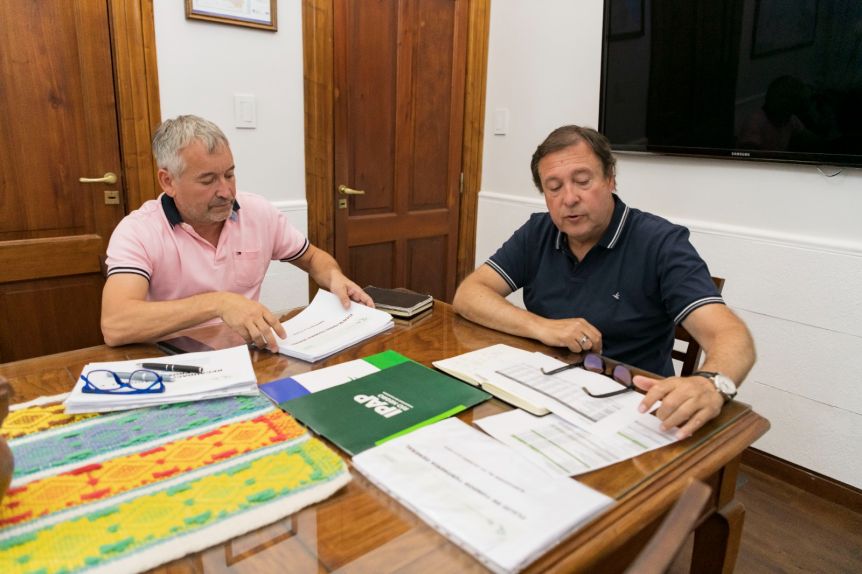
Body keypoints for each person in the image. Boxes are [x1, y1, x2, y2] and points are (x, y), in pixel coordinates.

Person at [453, 125, 755, 439]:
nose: (569, 198)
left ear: (610, 178)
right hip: (547, 392)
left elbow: (731, 335)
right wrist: (542, 327)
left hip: (632, 406)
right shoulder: (538, 232)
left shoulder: (660, 242)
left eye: (583, 181)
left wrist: (711, 384)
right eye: (554, 187)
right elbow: (469, 294)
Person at [101, 115, 373, 352]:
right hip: (175, 364)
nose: (226, 191)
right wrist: (218, 304)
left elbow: (312, 258)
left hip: (251, 353)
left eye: (229, 175)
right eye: (208, 180)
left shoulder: (258, 212)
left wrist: (334, 276)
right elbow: (116, 324)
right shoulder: (139, 230)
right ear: (168, 181)